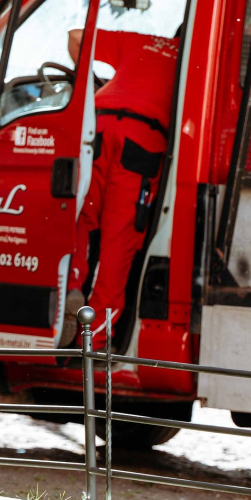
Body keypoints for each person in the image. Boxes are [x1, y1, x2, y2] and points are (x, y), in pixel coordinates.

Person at [61, 25, 180, 347]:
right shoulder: (193, 59)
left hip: (98, 124)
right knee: (119, 237)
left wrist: (87, 85)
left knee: (82, 217)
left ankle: (68, 289)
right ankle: (94, 340)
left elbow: (75, 36)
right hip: (143, 139)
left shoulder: (142, 42)